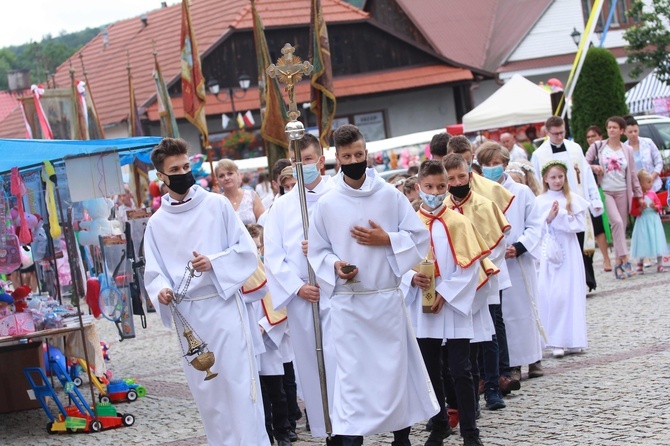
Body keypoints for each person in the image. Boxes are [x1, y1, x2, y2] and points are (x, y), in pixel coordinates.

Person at [308, 124, 439, 446]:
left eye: (358, 154)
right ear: (336, 159)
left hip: (385, 302)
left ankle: (401, 436)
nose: (354, 160)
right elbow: (318, 250)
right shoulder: (326, 203)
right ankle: (352, 437)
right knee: (353, 377)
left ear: (367, 154)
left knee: (393, 374)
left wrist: (387, 240)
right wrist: (336, 266)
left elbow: (419, 238)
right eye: (346, 156)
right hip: (350, 305)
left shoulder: (390, 196)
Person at [143, 137, 268, 445]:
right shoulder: (157, 223)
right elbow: (154, 271)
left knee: (239, 387)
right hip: (190, 318)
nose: (183, 172)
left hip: (223, 307)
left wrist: (213, 262)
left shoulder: (216, 204)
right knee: (210, 395)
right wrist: (161, 291)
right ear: (161, 176)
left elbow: (247, 251)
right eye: (175, 168)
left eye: (186, 166)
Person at [406, 159, 489, 446]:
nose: (435, 192)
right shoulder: (409, 225)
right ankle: (439, 423)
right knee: (430, 369)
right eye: (429, 187)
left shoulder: (458, 222)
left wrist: (446, 294)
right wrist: (410, 279)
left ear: (448, 186)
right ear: (418, 188)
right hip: (422, 305)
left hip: (452, 304)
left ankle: (470, 430)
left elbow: (469, 267)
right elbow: (398, 264)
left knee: (460, 369)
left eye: (441, 186)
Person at [264, 133, 339, 443]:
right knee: (311, 363)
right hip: (304, 299)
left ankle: (351, 428)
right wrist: (297, 287)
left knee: (341, 361)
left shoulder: (339, 195)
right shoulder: (282, 208)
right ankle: (326, 428)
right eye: (297, 162)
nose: (303, 166)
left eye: (308, 160)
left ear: (320, 161)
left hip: (339, 295)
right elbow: (273, 255)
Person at [442, 153, 512, 411]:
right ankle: (466, 398)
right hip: (455, 284)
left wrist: (480, 269)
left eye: (462, 176)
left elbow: (499, 244)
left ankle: (493, 388)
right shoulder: (443, 209)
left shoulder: (485, 205)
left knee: (487, 334)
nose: (458, 182)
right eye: (451, 179)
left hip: (484, 278)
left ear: (470, 175)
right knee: (459, 342)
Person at [475, 143, 544, 380]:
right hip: (494, 261)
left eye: (496, 164)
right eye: (487, 165)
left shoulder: (522, 191)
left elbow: (535, 223)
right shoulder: (479, 194)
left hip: (518, 260)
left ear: (505, 164)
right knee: (503, 316)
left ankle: (534, 358)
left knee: (524, 309)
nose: (492, 168)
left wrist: (520, 246)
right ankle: (511, 363)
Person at [531, 116, 603, 291]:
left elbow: (585, 174)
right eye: (555, 134)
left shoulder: (575, 148)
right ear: (547, 133)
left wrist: (594, 198)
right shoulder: (539, 154)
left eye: (562, 132)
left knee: (581, 242)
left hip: (574, 201)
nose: (559, 136)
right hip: (552, 205)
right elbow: (535, 181)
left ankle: (585, 281)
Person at [536, 160, 589, 357]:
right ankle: (555, 339)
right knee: (553, 293)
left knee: (570, 293)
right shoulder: (540, 200)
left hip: (569, 248)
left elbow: (579, 225)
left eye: (560, 177)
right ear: (545, 179)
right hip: (550, 252)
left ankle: (572, 338)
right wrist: (549, 218)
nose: (557, 181)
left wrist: (563, 215)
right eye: (553, 177)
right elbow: (536, 227)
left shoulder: (572, 198)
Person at [585, 116, 643, 279]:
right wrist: (593, 166)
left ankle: (618, 263)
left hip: (623, 190)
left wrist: (638, 194)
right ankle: (625, 258)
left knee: (621, 227)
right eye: (609, 127)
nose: (611, 130)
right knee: (616, 222)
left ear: (621, 131)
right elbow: (582, 163)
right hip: (606, 191)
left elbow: (632, 173)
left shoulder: (627, 150)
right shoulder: (598, 146)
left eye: (614, 127)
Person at [585, 126, 613, 272]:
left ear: (600, 136)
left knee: (614, 222)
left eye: (593, 136)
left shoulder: (607, 150)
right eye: (588, 137)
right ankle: (606, 258)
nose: (591, 139)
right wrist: (592, 167)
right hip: (595, 193)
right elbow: (582, 166)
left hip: (610, 190)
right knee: (599, 227)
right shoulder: (587, 155)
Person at [630, 170, 668, 273]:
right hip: (643, 220)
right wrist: (640, 209)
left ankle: (660, 263)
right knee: (643, 240)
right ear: (641, 183)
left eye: (651, 182)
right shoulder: (636, 197)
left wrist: (655, 207)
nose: (651, 184)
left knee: (657, 240)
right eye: (648, 182)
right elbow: (632, 211)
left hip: (653, 220)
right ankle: (640, 263)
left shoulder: (653, 193)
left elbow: (659, 205)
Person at [215, 159, 264, 224]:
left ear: (238, 174)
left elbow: (263, 224)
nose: (226, 178)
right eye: (221, 176)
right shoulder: (217, 202)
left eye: (230, 174)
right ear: (217, 180)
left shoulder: (251, 196)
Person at [624, 116, 664, 192]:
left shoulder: (648, 143)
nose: (633, 134)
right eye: (630, 132)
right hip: (636, 190)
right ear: (624, 132)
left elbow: (659, 161)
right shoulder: (624, 148)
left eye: (635, 131)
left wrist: (651, 178)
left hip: (654, 186)